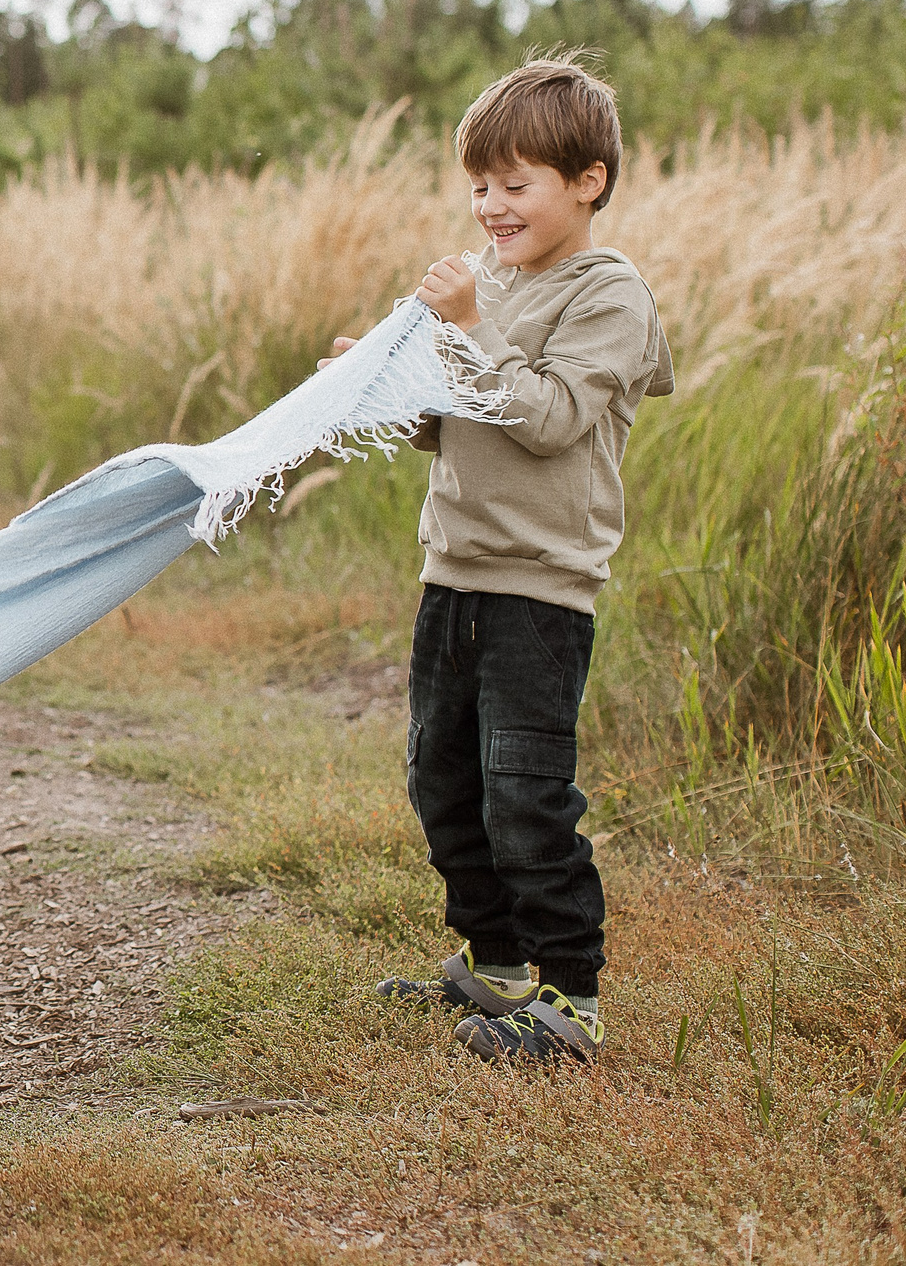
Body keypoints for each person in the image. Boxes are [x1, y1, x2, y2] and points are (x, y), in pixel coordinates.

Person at [330, 58, 672, 1065]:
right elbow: (458, 429)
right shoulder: (495, 285)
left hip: (537, 587)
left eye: (514, 185)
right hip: (455, 570)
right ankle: (499, 967)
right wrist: (381, 386)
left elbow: (552, 419)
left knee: (525, 792)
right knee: (442, 781)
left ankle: (570, 1001)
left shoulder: (606, 293)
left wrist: (468, 329)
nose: (490, 206)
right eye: (479, 185)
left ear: (587, 182)